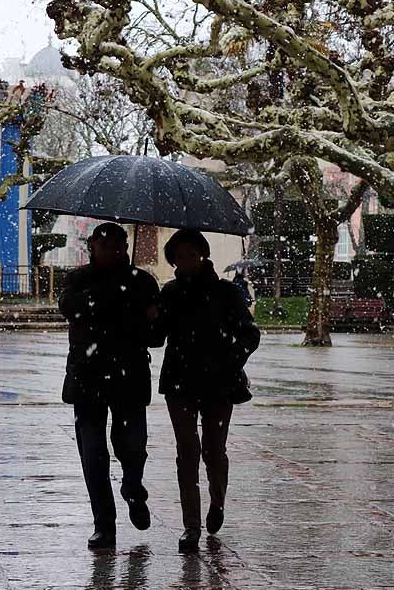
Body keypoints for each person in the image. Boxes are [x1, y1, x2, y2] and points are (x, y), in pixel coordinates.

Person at [58, 222, 162, 550]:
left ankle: (133, 489)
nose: (112, 251)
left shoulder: (143, 282)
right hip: (86, 378)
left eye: (118, 245)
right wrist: (111, 294)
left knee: (132, 447)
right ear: (92, 247)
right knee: (93, 455)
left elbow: (155, 336)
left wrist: (145, 316)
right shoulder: (77, 280)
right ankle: (104, 524)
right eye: (104, 246)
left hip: (128, 377)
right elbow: (70, 309)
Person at [157, 229, 261, 552]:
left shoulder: (226, 293)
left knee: (213, 450)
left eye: (192, 254)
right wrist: (149, 317)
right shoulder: (170, 293)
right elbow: (156, 336)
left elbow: (249, 334)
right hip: (179, 383)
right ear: (173, 259)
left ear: (203, 255)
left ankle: (217, 500)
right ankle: (191, 525)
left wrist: (230, 358)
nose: (186, 261)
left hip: (218, 383)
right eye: (180, 255)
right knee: (186, 452)